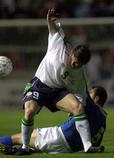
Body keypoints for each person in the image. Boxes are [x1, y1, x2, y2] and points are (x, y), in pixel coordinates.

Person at [19, 8, 97, 155]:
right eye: (75, 62)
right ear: (72, 54)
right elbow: (53, 30)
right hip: (40, 84)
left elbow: (80, 94)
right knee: (29, 112)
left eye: (79, 64)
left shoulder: (79, 74)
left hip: (57, 91)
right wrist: (49, 21)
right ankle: (24, 147)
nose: (75, 65)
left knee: (78, 108)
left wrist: (74, 110)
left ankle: (88, 146)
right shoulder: (59, 45)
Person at [0, 86, 108, 156]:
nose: (87, 95)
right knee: (33, 144)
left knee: (18, 137)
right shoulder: (103, 119)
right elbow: (95, 142)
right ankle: (20, 150)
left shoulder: (90, 106)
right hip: (68, 149)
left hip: (58, 136)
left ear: (96, 99)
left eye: (91, 93)